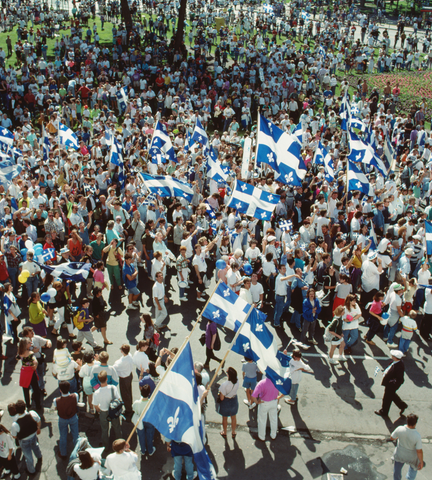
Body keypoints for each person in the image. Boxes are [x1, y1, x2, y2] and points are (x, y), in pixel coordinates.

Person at [92, 371, 122, 451]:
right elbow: (119, 399)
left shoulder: (96, 393)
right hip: (113, 411)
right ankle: (120, 444)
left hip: (103, 412)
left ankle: (106, 447)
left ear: (99, 380)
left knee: (104, 430)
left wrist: (99, 410)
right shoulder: (113, 388)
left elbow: (95, 406)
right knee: (116, 428)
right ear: (106, 379)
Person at [10, 400, 42, 475]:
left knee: (28, 456)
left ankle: (31, 471)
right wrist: (38, 428)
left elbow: (14, 436)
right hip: (33, 436)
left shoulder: (15, 424)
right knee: (35, 446)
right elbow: (39, 420)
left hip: (24, 441)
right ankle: (39, 456)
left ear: (16, 410)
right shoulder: (32, 414)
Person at [375, 350, 408, 418]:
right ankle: (402, 405)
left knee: (387, 398)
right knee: (392, 395)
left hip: (391, 386)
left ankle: (384, 412)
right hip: (391, 385)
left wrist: (391, 383)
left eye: (393, 356)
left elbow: (399, 379)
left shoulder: (399, 367)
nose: (391, 356)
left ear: (395, 357)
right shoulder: (397, 362)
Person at [390, 413, 424, 480]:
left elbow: (392, 437)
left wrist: (397, 437)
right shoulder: (417, 436)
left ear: (407, 421)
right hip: (412, 457)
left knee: (397, 469)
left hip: (400, 454)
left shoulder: (400, 429)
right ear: (415, 423)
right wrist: (421, 462)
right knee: (414, 467)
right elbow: (419, 451)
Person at [52, 380, 79, 459]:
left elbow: (56, 408)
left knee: (63, 436)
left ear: (60, 390)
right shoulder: (75, 396)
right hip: (73, 417)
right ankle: (77, 451)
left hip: (62, 419)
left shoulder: (56, 400)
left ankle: (63, 453)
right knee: (75, 435)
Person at [251, 375, 282, 442]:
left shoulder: (262, 383)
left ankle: (262, 437)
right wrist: (279, 398)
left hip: (264, 403)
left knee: (262, 420)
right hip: (274, 402)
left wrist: (257, 402)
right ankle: (273, 435)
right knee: (273, 419)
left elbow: (253, 396)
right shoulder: (277, 381)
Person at [17, 338, 42, 410]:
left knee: (25, 389)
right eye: (29, 342)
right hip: (31, 373)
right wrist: (35, 365)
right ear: (25, 345)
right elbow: (35, 361)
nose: (31, 343)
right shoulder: (30, 353)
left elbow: (17, 357)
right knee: (36, 389)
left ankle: (28, 404)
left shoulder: (20, 352)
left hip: (24, 372)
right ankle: (38, 405)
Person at [132, 384, 156, 457]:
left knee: (141, 436)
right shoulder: (151, 402)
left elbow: (134, 410)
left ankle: (143, 450)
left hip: (140, 421)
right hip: (149, 421)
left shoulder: (136, 403)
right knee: (149, 436)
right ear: (149, 393)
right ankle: (150, 450)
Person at [113, 344, 135, 420]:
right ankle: (129, 405)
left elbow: (114, 368)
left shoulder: (120, 363)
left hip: (124, 378)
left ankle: (128, 410)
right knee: (129, 392)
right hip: (129, 375)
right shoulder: (129, 356)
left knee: (125, 395)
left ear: (122, 351)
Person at [218, 367, 239, 439]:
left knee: (225, 418)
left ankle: (225, 432)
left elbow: (222, 398)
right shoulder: (237, 381)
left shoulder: (224, 385)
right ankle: (233, 432)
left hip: (226, 401)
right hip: (234, 399)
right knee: (233, 417)